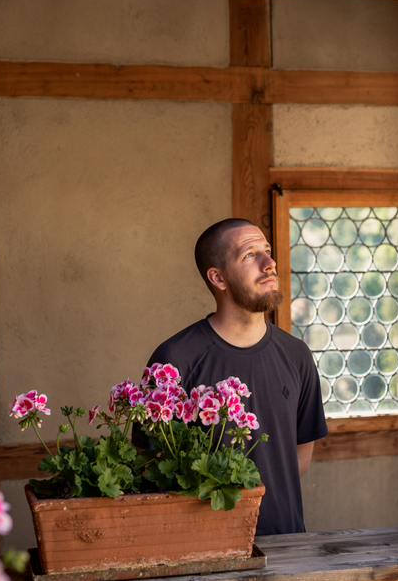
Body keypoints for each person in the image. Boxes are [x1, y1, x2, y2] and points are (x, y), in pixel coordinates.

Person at [132, 218, 328, 535]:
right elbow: (149, 464)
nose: (269, 262)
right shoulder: (174, 360)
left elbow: (301, 449)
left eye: (267, 250)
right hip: (206, 548)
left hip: (288, 541)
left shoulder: (296, 354)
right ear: (218, 278)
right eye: (250, 254)